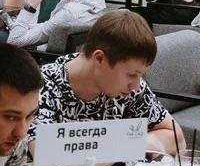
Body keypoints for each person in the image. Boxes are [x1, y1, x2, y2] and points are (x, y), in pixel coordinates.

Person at [34, 9, 184, 154]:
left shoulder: (130, 90)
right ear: (99, 58)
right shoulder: (40, 87)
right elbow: (47, 159)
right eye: (132, 75)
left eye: (140, 76)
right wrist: (124, 145)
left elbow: (177, 139)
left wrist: (124, 145)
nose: (136, 86)